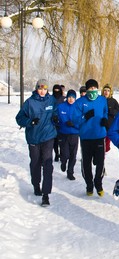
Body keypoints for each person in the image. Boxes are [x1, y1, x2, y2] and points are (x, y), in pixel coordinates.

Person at [15, 78, 59, 207]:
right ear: (36, 88)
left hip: (48, 136)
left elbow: (56, 112)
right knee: (35, 163)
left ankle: (46, 195)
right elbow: (19, 118)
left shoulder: (51, 100)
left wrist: (56, 118)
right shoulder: (29, 103)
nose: (42, 91)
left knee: (47, 163)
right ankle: (36, 184)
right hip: (33, 138)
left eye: (45, 89)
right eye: (40, 88)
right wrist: (30, 122)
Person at [72, 78, 108, 197]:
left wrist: (105, 120)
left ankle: (98, 182)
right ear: (86, 90)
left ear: (97, 89)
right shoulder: (80, 102)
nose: (92, 91)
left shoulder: (102, 100)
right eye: (90, 89)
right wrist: (85, 117)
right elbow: (75, 120)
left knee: (100, 162)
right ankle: (89, 184)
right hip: (86, 137)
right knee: (86, 163)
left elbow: (105, 113)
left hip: (99, 136)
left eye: (94, 88)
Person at [57, 89, 79, 180]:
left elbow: (82, 120)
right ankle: (63, 161)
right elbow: (57, 119)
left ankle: (70, 172)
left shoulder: (78, 107)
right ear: (67, 97)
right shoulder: (61, 107)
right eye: (69, 97)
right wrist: (64, 122)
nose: (71, 99)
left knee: (73, 155)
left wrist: (75, 124)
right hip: (63, 133)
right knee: (65, 153)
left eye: (73, 97)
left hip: (74, 133)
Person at [101, 83, 119, 153]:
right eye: (105, 90)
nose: (106, 92)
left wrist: (111, 111)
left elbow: (118, 111)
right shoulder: (99, 100)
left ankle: (105, 151)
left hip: (109, 124)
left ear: (110, 92)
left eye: (108, 91)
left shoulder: (113, 101)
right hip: (100, 123)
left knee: (107, 140)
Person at [52, 84, 64, 161]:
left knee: (62, 140)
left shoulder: (64, 99)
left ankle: (62, 154)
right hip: (53, 122)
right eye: (55, 91)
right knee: (55, 140)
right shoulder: (50, 99)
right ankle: (57, 153)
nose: (56, 92)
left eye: (58, 90)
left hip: (62, 122)